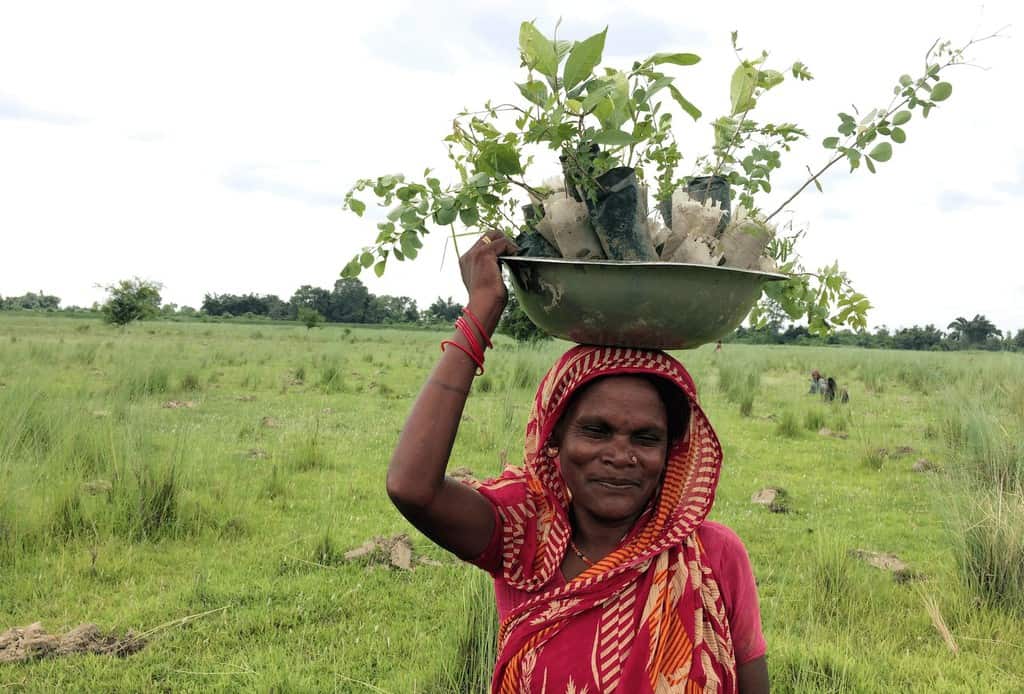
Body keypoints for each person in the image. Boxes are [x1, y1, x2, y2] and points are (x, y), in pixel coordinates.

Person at [387, 231, 769, 693]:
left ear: (673, 450)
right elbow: (413, 488)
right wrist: (483, 307)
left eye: (646, 438)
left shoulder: (713, 555)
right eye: (596, 430)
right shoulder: (525, 535)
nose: (620, 456)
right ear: (555, 437)